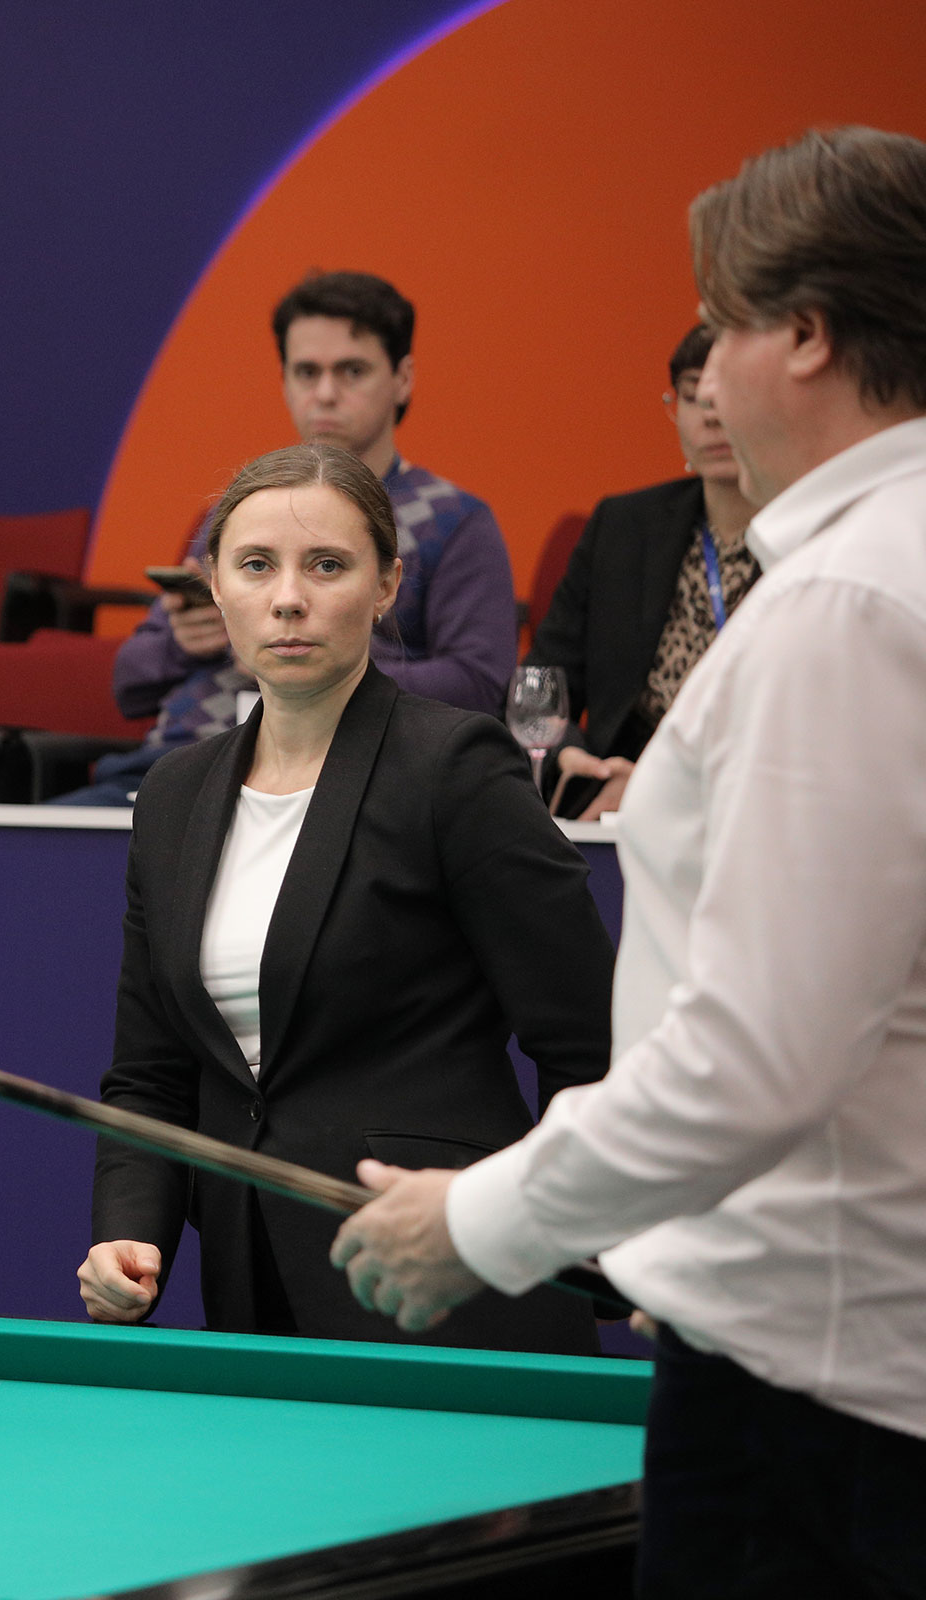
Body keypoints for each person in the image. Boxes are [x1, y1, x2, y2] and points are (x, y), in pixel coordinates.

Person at [331, 127, 926, 1595]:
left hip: (824, 1407)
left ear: (807, 335)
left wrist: (485, 1220)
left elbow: (756, 1055)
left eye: (720, 328)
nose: (704, 374)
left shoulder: (845, 606)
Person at [77, 441, 610, 1353]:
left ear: (387, 585)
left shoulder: (456, 766)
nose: (289, 597)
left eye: (327, 565)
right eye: (256, 565)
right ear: (215, 587)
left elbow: (586, 1040)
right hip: (253, 1296)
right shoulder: (173, 794)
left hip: (450, 1294)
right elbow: (151, 1073)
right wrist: (130, 1228)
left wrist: (552, 1232)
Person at [59, 272, 517, 805]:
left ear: (402, 379)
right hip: (170, 773)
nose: (325, 394)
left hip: (342, 781)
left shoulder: (453, 520)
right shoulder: (242, 511)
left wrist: (313, 660)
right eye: (306, 372)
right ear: (284, 382)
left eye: (352, 371)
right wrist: (182, 644)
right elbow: (128, 684)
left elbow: (479, 687)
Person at [524, 325, 760, 819]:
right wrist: (570, 758)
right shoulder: (623, 527)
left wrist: (667, 789)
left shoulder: (812, 540)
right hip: (614, 798)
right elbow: (542, 683)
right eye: (693, 396)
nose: (711, 414)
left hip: (753, 801)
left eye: (727, 394)